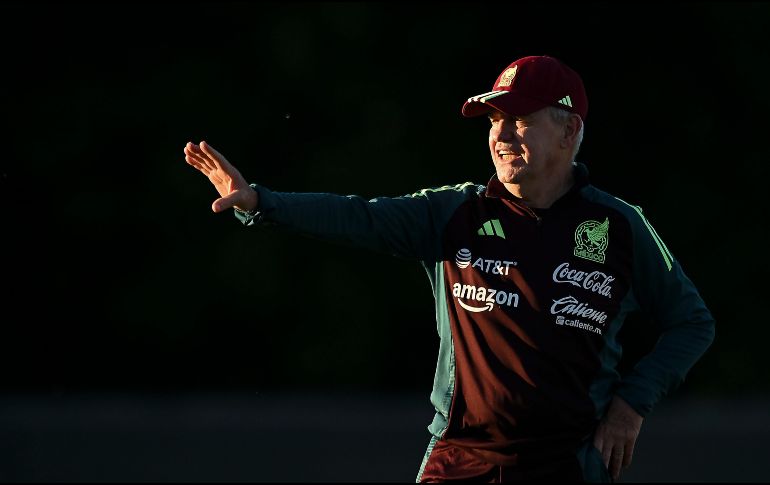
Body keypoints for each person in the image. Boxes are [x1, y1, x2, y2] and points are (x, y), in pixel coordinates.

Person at [183, 55, 715, 483]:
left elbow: (692, 322)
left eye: (521, 120)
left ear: (569, 130)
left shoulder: (619, 226)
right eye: (495, 120)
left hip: (568, 463)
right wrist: (260, 202)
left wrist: (630, 404)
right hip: (461, 460)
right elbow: (357, 216)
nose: (502, 135)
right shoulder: (453, 212)